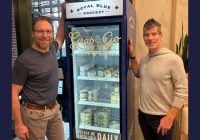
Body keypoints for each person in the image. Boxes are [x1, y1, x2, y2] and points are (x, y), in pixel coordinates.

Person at [128, 18, 188, 140]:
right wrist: (132, 56)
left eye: (154, 34)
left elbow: (182, 91)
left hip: (162, 119)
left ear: (160, 35)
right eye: (146, 35)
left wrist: (169, 117)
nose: (150, 38)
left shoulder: (174, 59)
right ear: (143, 37)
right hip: (143, 116)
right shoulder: (145, 58)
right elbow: (138, 73)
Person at [12, 4, 65, 140]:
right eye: (40, 31)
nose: (45, 35)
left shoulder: (52, 49)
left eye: (48, 31)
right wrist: (19, 124)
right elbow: (12, 93)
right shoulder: (24, 60)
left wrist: (64, 14)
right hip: (33, 115)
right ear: (33, 34)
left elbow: (60, 36)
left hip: (54, 110)